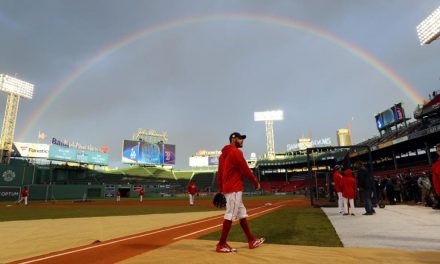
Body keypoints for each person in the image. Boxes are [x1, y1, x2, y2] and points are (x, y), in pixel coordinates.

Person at [216, 132, 265, 253]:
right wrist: (255, 182)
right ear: (233, 139)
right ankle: (221, 244)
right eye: (240, 138)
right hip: (234, 188)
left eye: (243, 139)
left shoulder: (223, 155)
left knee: (242, 213)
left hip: (229, 188)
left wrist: (221, 189)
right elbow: (245, 169)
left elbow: (220, 173)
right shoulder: (236, 152)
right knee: (230, 214)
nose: (242, 140)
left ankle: (251, 240)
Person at [432, 143, 440, 209]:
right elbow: (436, 181)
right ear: (437, 152)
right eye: (439, 150)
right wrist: (438, 192)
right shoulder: (435, 166)